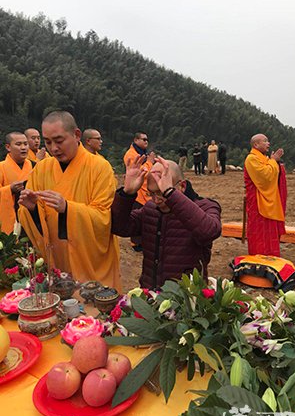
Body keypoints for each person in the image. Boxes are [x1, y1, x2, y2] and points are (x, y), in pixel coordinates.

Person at [18, 111, 120, 290]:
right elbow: (33, 219)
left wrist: (67, 208)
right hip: (57, 258)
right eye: (48, 142)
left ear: (77, 135)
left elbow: (104, 217)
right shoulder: (42, 169)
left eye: (59, 141)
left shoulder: (100, 168)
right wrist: (32, 209)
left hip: (89, 261)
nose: (54, 148)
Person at [111, 156, 222, 289]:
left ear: (182, 186)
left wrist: (170, 194)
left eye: (161, 193)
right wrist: (127, 193)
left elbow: (209, 231)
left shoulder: (206, 206)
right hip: (151, 294)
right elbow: (119, 227)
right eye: (151, 193)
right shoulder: (150, 209)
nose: (156, 200)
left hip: (187, 298)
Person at [244, 133, 287, 257]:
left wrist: (275, 162)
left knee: (269, 229)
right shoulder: (251, 158)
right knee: (259, 230)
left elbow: (272, 172)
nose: (268, 143)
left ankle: (270, 253)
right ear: (256, 144)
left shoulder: (263, 158)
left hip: (265, 199)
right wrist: (273, 161)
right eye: (265, 141)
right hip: (257, 201)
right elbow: (266, 177)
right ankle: (258, 254)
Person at [123, 131, 153, 252]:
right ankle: (136, 244)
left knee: (146, 218)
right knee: (136, 218)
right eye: (143, 139)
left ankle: (144, 241)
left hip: (146, 191)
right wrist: (150, 162)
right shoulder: (131, 154)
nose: (146, 142)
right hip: (137, 192)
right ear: (136, 140)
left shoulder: (141, 153)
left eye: (147, 140)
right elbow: (141, 171)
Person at [0, 132, 32, 234]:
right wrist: (9, 189)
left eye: (25, 144)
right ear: (8, 147)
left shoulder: (36, 166)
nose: (23, 148)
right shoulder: (1, 167)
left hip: (31, 216)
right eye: (18, 144)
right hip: (10, 218)